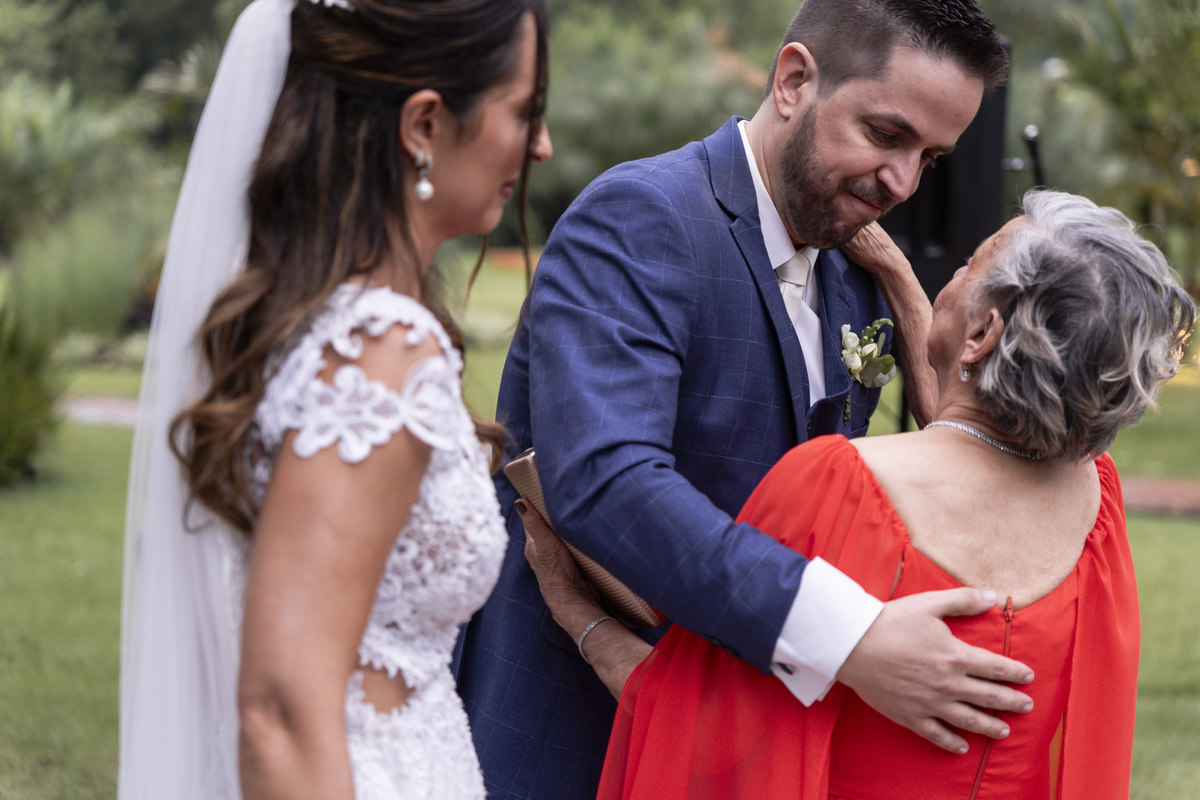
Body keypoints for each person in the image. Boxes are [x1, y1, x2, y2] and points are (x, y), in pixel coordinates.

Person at [453, 1, 1025, 797]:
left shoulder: (855, 274)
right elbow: (610, 484)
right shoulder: (643, 216)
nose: (901, 182)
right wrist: (850, 638)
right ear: (793, 81)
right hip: (573, 739)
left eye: (928, 158)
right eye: (886, 134)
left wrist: (901, 283)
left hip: (735, 749)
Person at [525, 189, 1196, 798]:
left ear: (983, 334)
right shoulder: (1096, 503)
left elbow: (704, 737)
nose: (953, 273)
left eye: (970, 263)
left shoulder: (840, 484)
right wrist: (900, 278)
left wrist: (582, 619)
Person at [118, 0, 551, 798]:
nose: (542, 145)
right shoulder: (379, 350)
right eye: (525, 112)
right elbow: (281, 713)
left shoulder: (330, 325)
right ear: (425, 124)